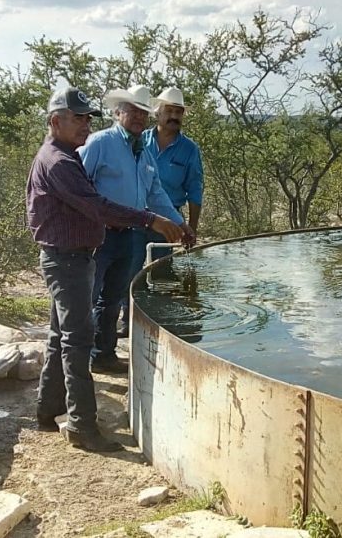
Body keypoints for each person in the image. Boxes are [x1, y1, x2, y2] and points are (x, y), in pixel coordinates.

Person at [26, 87, 184, 452]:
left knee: (60, 336)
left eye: (86, 118)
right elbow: (97, 206)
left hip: (71, 255)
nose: (84, 125)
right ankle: (82, 426)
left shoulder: (64, 155)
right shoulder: (60, 162)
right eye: (77, 118)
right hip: (68, 258)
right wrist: (151, 220)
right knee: (78, 340)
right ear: (55, 121)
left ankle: (48, 411)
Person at [78, 85, 193, 374]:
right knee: (86, 297)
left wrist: (181, 223)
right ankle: (75, 360)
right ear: (118, 112)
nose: (138, 117)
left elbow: (156, 196)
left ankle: (102, 355)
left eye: (143, 112)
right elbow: (78, 186)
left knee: (113, 298)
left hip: (129, 235)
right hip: (98, 235)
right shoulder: (100, 143)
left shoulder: (143, 151)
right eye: (132, 111)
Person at [117, 87, 204, 335]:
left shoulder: (189, 150)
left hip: (170, 218)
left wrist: (192, 228)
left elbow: (195, 189)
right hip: (135, 215)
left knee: (162, 269)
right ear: (158, 112)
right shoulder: (139, 140)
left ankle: (161, 320)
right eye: (169, 111)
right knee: (131, 268)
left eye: (178, 111)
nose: (174, 116)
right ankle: (129, 320)